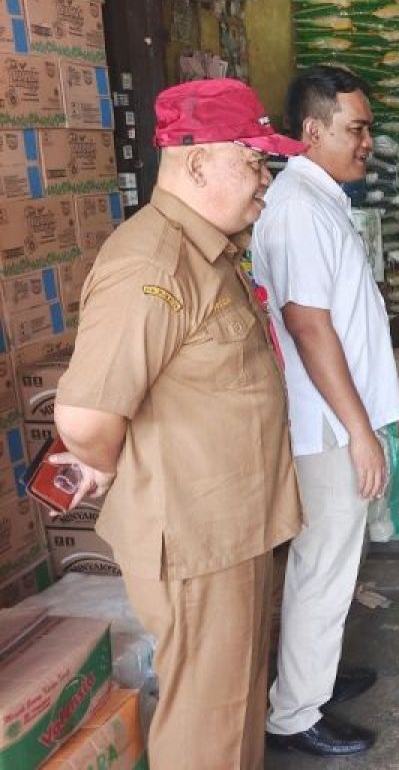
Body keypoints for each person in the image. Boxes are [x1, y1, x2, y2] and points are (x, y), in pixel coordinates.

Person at [51, 78, 305, 769]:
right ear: (197, 164)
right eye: (253, 162)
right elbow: (84, 417)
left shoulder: (207, 250)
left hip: (231, 527)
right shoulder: (151, 264)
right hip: (194, 537)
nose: (264, 182)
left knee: (233, 710)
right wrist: (104, 462)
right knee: (207, 725)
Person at [253, 66, 399, 758]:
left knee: (334, 558)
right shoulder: (299, 210)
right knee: (323, 561)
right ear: (312, 132)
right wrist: (359, 431)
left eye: (367, 127)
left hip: (334, 420)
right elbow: (309, 327)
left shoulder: (319, 198)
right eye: (356, 128)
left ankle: (313, 676)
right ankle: (294, 715)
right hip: (324, 426)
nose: (367, 140)